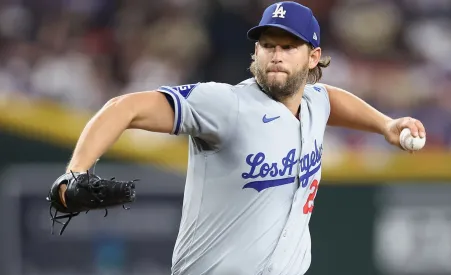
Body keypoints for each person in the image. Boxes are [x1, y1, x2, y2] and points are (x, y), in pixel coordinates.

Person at [54, 1, 426, 274]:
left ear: (313, 58)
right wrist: (74, 174)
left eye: (288, 46)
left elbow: (330, 99)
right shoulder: (226, 104)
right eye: (268, 45)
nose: (276, 55)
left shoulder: (314, 103)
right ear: (256, 51)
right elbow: (123, 107)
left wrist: (385, 125)